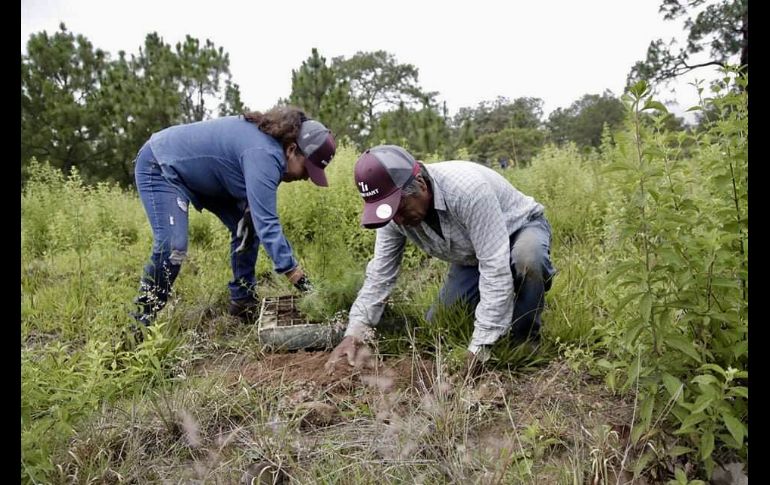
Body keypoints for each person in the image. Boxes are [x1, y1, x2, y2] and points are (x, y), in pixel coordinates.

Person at [326, 145, 555, 374]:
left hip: (517, 229)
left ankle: (524, 341)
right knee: (439, 323)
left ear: (421, 184)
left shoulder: (468, 192)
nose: (399, 220)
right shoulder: (394, 219)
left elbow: (494, 266)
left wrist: (479, 349)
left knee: (528, 260)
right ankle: (504, 306)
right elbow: (380, 276)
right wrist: (354, 333)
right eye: (389, 213)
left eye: (400, 208)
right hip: (472, 254)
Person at [131, 106, 336, 336]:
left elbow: (256, 217)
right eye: (307, 170)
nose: (305, 178)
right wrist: (301, 281)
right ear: (291, 149)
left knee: (246, 224)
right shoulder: (264, 154)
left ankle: (243, 303)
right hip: (160, 164)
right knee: (173, 246)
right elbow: (267, 224)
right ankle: (140, 323)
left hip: (204, 176)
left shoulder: (271, 153)